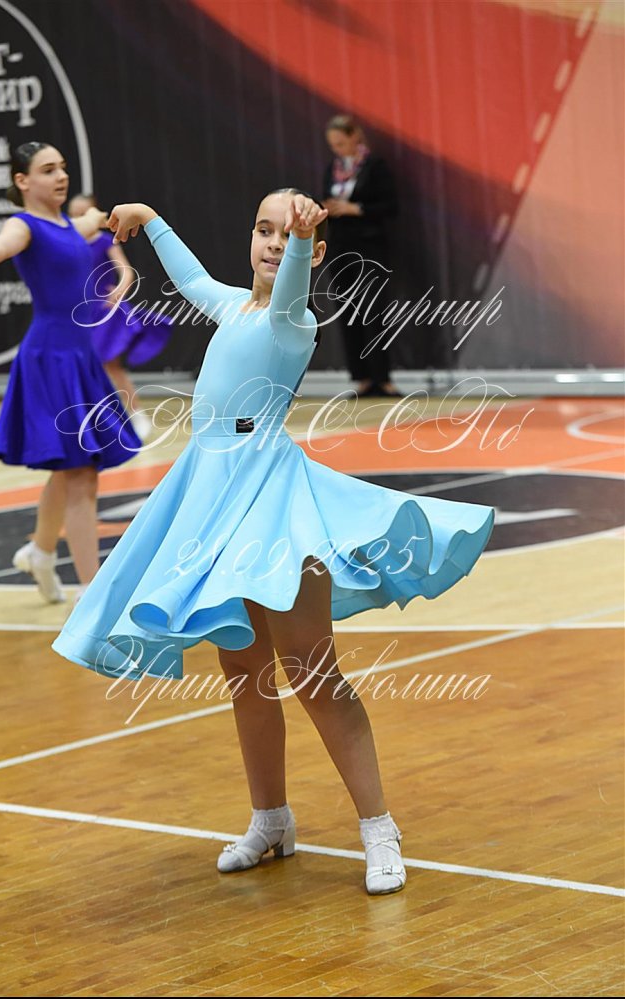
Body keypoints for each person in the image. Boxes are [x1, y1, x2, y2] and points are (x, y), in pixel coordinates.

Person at [51, 189, 495, 895]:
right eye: (263, 229)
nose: (271, 242)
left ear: (311, 254)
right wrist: (151, 220)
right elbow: (191, 278)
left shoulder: (295, 320)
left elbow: (288, 291)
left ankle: (379, 829)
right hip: (210, 497)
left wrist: (300, 241)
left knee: (312, 672)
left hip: (271, 500)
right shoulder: (234, 306)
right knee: (244, 672)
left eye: (285, 236)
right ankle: (271, 820)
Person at [0, 142, 141, 605]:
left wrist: (122, 219)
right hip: (51, 358)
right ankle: (92, 594)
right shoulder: (23, 226)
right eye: (47, 170)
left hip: (79, 356)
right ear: (22, 181)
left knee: (70, 468)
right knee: (81, 473)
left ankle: (41, 552)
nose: (61, 176)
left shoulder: (72, 225)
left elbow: (98, 220)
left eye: (62, 167)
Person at [68, 193, 174, 441]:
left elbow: (126, 270)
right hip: (78, 313)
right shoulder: (69, 243)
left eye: (84, 213)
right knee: (82, 367)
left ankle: (136, 414)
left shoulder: (104, 241)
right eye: (75, 214)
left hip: (103, 312)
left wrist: (118, 291)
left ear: (96, 214)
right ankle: (91, 421)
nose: (80, 217)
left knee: (111, 366)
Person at [322, 113, 401, 398]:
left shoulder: (374, 166)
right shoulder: (333, 168)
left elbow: (390, 206)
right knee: (348, 311)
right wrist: (328, 208)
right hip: (340, 247)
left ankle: (383, 377)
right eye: (333, 145)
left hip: (369, 246)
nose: (337, 149)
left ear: (355, 136)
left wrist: (355, 208)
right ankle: (362, 378)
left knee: (373, 311)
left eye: (341, 143)